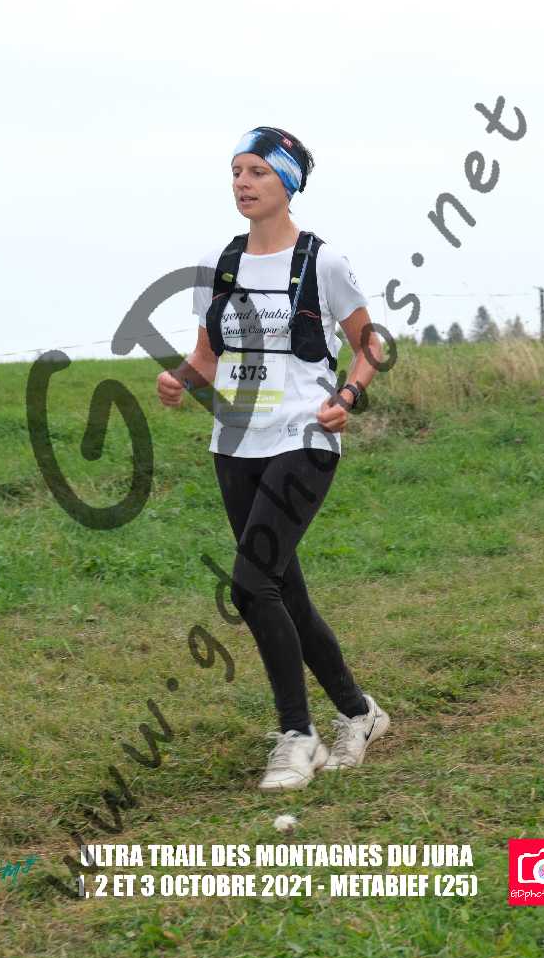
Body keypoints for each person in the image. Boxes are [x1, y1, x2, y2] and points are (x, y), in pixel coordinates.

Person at [156, 126, 390, 790]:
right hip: (234, 445)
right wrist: (179, 380)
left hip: (305, 439)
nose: (242, 182)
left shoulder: (323, 262)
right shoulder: (219, 264)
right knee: (284, 590)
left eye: (257, 171)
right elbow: (208, 356)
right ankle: (359, 712)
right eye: (236, 171)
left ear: (287, 182)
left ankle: (298, 735)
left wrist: (348, 395)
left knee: (250, 584)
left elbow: (370, 345)